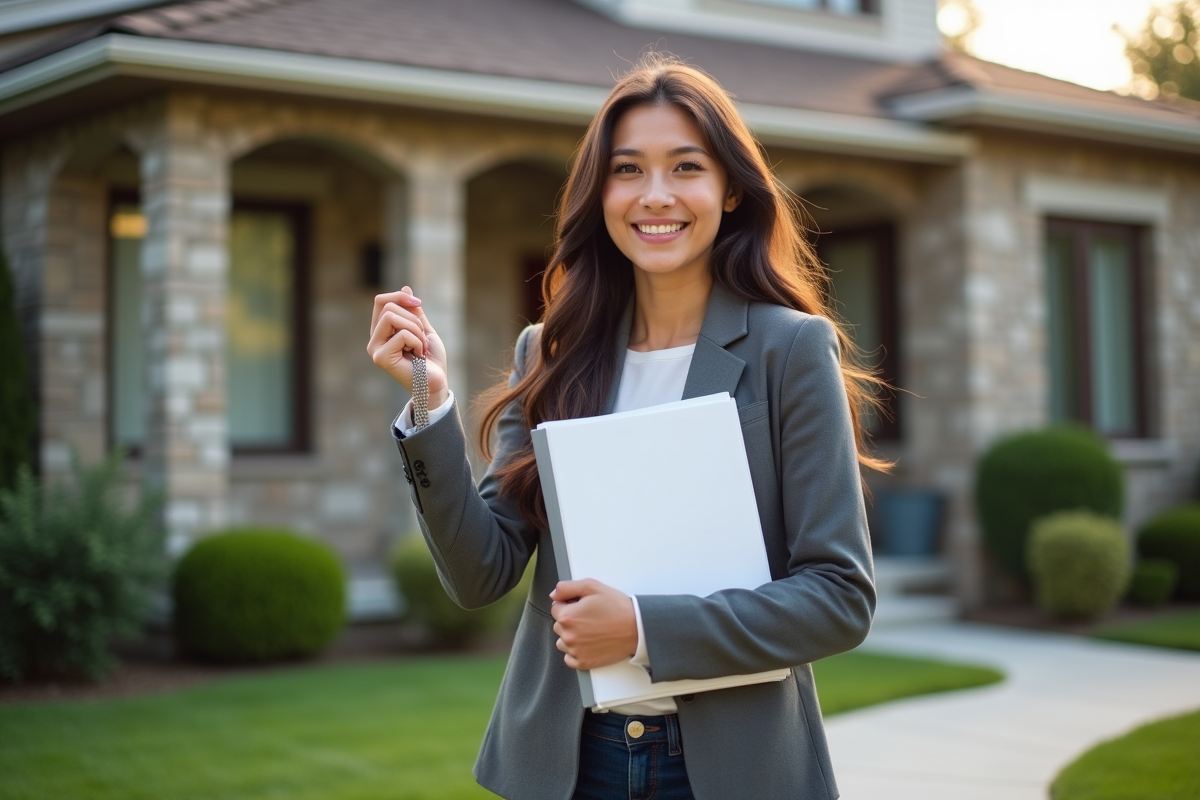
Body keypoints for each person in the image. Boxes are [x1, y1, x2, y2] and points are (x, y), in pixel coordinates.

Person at [367, 55, 884, 800]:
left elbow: (839, 596)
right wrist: (429, 400)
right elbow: (481, 574)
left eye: (685, 167)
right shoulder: (549, 351)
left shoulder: (790, 349)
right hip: (568, 763)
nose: (656, 196)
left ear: (731, 189)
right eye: (629, 170)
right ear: (600, 192)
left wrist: (642, 629)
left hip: (729, 769)